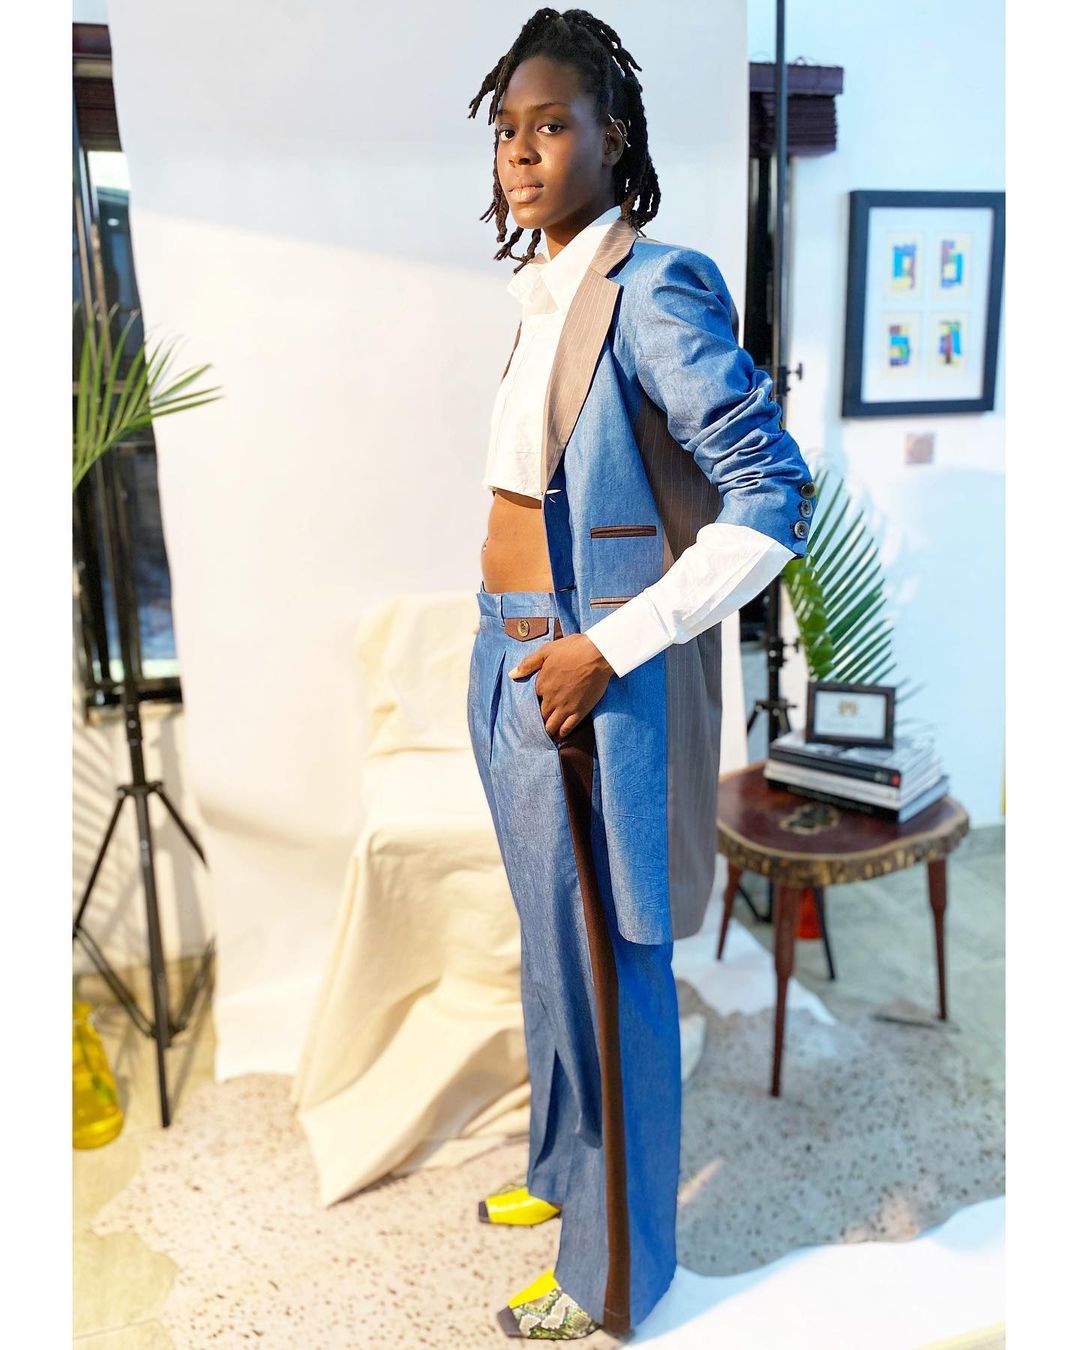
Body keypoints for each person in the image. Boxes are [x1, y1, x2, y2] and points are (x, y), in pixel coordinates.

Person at [464, 8, 815, 1339]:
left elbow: (771, 494)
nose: (522, 152)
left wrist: (601, 649)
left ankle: (616, 1279)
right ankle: (567, 1174)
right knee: (554, 954)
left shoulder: (654, 285)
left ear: (614, 138)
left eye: (552, 125)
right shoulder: (540, 292)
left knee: (617, 972)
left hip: (583, 681)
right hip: (503, 659)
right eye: (508, 129)